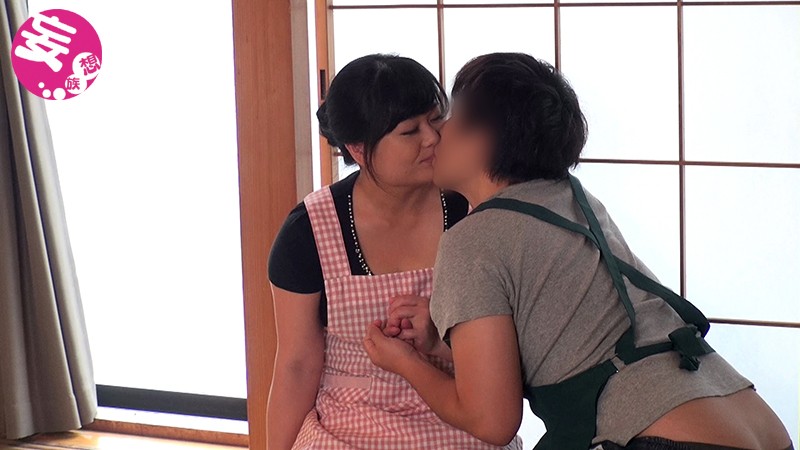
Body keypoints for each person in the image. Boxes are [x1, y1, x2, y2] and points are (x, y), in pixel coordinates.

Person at [363, 52, 793, 450]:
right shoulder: (576, 198)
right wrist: (443, 346)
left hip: (661, 434)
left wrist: (405, 363)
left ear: (484, 140)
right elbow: (569, 344)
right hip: (754, 419)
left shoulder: (472, 239)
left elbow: (491, 420)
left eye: (452, 119)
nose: (437, 134)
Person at [267, 54, 522, 449]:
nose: (432, 138)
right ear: (357, 149)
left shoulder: (471, 207)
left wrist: (440, 341)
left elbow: (512, 358)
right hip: (348, 426)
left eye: (436, 119)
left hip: (460, 418)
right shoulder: (309, 230)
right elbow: (297, 365)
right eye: (409, 131)